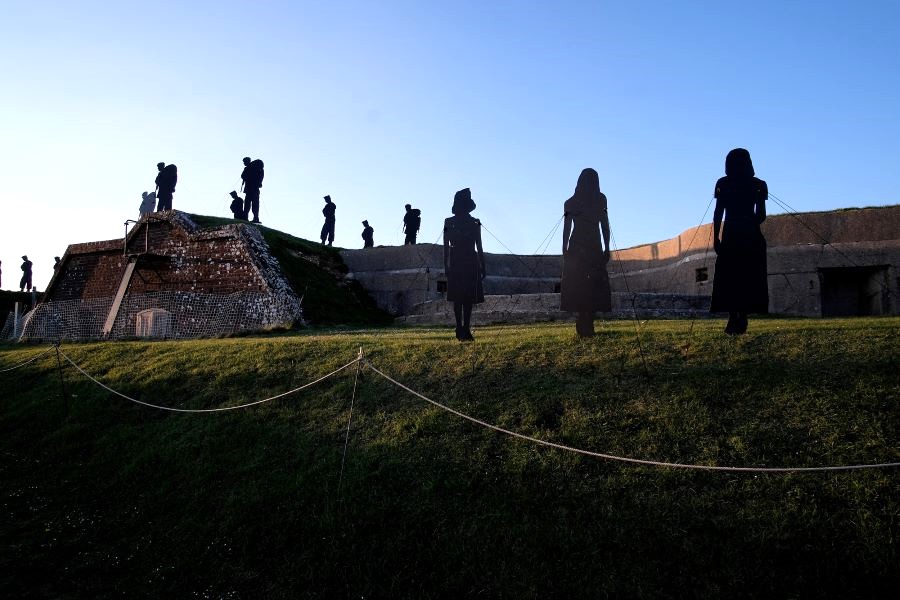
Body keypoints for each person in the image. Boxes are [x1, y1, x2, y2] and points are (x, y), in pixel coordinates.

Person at [710, 148, 769, 334]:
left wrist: (716, 238)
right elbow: (760, 215)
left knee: (734, 276)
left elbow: (718, 213)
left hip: (735, 234)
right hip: (746, 234)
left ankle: (737, 316)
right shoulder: (757, 184)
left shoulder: (726, 183)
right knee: (739, 276)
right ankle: (738, 317)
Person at [560, 168, 612, 338]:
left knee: (585, 285)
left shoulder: (574, 202)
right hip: (589, 245)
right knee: (584, 284)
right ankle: (585, 320)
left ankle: (586, 320)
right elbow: (604, 224)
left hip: (583, 246)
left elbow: (604, 223)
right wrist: (606, 246)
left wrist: (565, 247)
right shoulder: (596, 200)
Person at [443, 188, 485, 341]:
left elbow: (479, 245)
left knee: (467, 297)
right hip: (458, 260)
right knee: (458, 297)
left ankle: (465, 328)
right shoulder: (450, 222)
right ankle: (460, 327)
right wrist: (446, 265)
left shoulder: (474, 222)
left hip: (467, 260)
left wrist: (482, 264)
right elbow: (446, 246)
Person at [240, 157, 264, 223]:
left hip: (250, 189)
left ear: (247, 161)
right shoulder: (256, 167)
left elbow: (242, 176)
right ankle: (255, 218)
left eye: (244, 162)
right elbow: (261, 175)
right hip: (254, 188)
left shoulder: (248, 168)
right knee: (254, 204)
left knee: (248, 204)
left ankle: (246, 218)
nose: (244, 163)